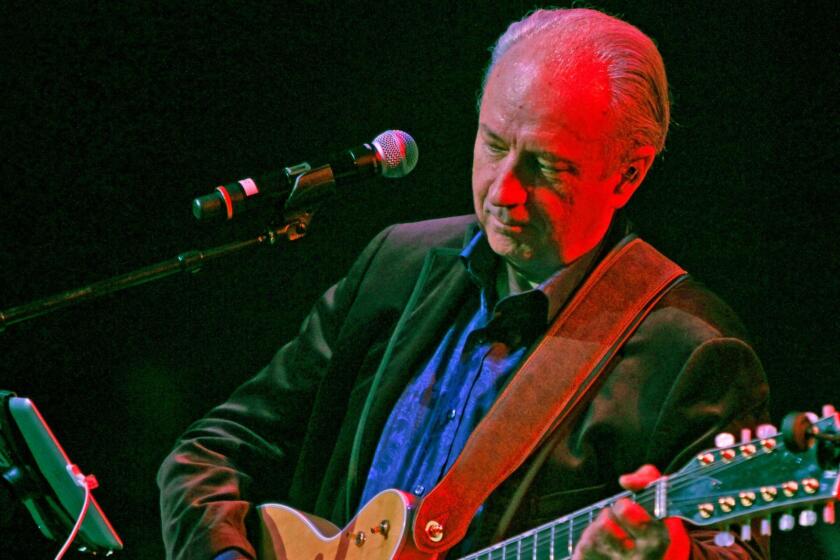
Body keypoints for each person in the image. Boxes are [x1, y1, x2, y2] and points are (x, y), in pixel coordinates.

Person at [158, 8, 769, 560]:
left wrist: (672, 557)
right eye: (493, 144)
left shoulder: (692, 353)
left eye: (546, 165)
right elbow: (215, 448)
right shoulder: (395, 265)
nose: (503, 191)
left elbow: (733, 554)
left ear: (627, 172)